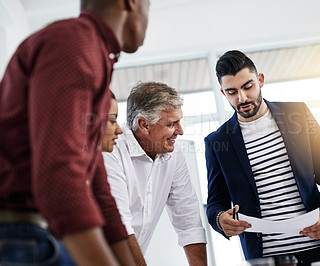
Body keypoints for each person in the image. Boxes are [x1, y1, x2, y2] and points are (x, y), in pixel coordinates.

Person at [0, 0, 150, 265]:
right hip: (19, 236)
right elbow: (60, 175)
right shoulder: (73, 44)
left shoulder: (95, 55)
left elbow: (99, 190)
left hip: (39, 232)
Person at [205, 50, 320, 266]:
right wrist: (219, 220)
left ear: (260, 80)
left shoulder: (298, 114)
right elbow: (215, 203)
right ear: (223, 93)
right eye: (232, 92)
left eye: (247, 86)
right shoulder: (217, 142)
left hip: (318, 249)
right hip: (266, 259)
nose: (241, 98)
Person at [103, 82, 208, 265]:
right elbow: (120, 225)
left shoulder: (174, 154)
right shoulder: (111, 150)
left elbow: (189, 222)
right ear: (144, 125)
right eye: (171, 124)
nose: (180, 131)